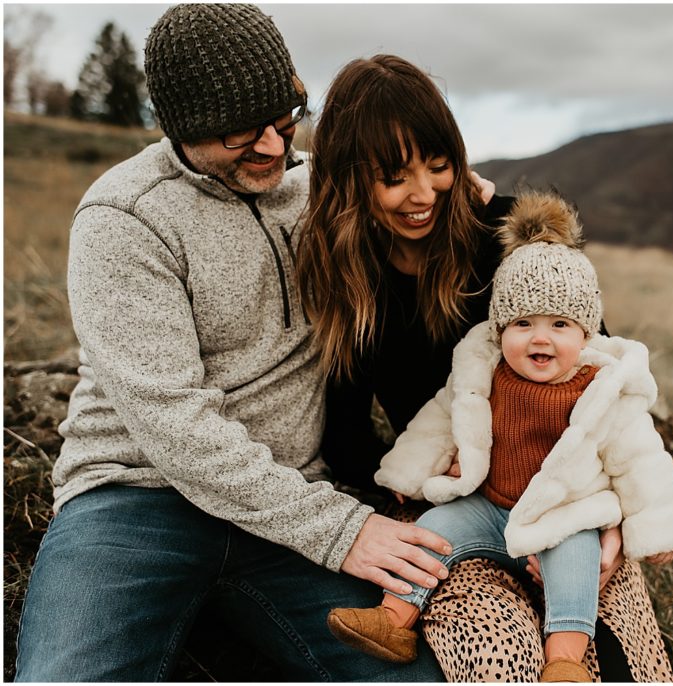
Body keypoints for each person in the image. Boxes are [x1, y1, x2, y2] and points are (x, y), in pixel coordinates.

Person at [14, 5, 447, 681]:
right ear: (176, 129)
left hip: (292, 501)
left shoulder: (318, 192)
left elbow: (422, 199)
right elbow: (174, 426)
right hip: (135, 502)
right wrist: (342, 531)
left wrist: (476, 208)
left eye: (284, 121)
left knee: (416, 675)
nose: (274, 149)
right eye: (240, 136)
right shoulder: (124, 218)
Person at [297, 53, 673, 682]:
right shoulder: (353, 281)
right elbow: (344, 439)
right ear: (348, 180)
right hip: (451, 506)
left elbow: (601, 375)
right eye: (395, 176)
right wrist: (412, 491)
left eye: (438, 164)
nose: (423, 194)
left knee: (607, 650)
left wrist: (615, 519)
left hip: (571, 495)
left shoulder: (503, 235)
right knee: (496, 653)